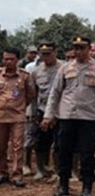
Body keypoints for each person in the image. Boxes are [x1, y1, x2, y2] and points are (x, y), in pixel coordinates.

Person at [42, 36, 95, 196]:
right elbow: (55, 93)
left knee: (87, 154)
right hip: (66, 115)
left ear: (89, 49)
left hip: (87, 116)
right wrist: (48, 115)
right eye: (76, 48)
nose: (78, 51)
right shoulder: (65, 68)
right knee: (64, 151)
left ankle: (87, 187)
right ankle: (63, 186)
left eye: (82, 48)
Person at [0, 47, 35, 187]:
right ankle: (2, 173)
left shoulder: (24, 76)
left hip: (18, 117)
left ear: (18, 60)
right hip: (1, 116)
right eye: (6, 59)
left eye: (11, 59)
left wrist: (20, 107)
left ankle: (17, 175)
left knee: (17, 147)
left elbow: (31, 95)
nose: (8, 62)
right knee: (1, 147)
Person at [31, 42, 63, 180]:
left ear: (55, 53)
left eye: (48, 53)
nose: (46, 56)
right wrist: (33, 113)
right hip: (42, 110)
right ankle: (41, 169)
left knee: (59, 142)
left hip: (60, 111)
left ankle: (57, 171)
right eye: (43, 54)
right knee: (40, 142)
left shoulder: (64, 68)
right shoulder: (36, 71)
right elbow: (34, 94)